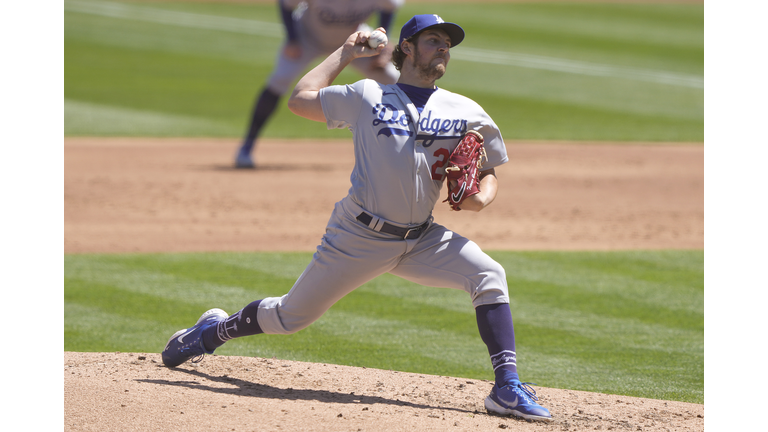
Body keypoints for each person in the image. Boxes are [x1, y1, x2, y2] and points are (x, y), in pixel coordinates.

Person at [164, 14, 553, 422]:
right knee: (288, 318)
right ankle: (210, 332)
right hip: (358, 236)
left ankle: (506, 387)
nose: (443, 49)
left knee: (488, 275)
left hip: (423, 238)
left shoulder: (465, 110)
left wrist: (480, 200)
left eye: (447, 44)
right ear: (407, 48)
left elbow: (488, 171)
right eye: (433, 40)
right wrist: (347, 52)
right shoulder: (367, 95)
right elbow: (300, 99)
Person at [235, 0, 403, 169]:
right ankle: (247, 146)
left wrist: (383, 42)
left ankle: (409, 145)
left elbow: (389, 8)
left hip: (354, 41)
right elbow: (286, 4)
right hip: (307, 38)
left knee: (394, 80)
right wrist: (292, 39)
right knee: (279, 80)